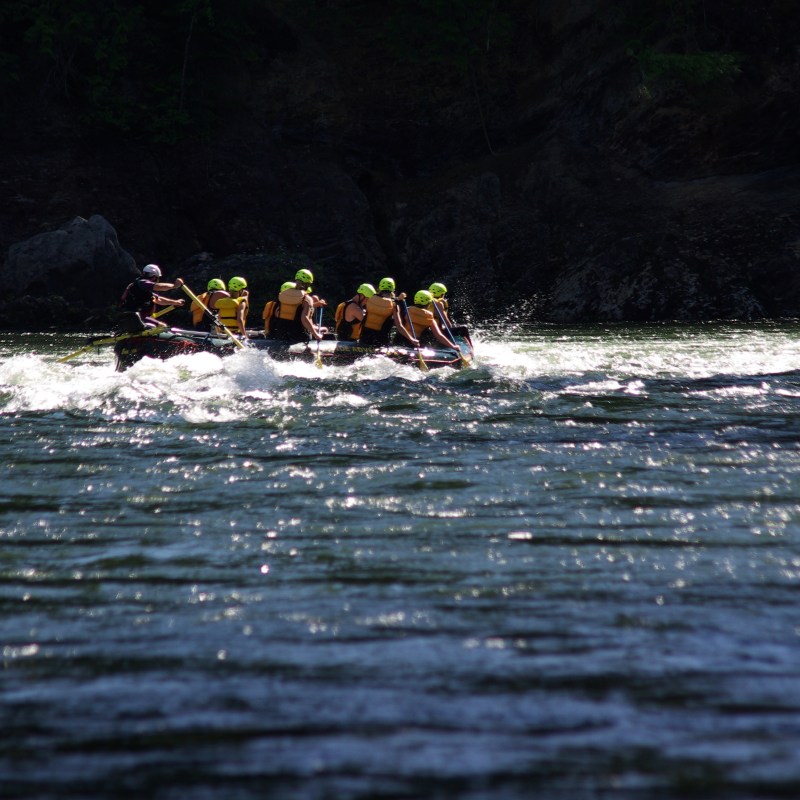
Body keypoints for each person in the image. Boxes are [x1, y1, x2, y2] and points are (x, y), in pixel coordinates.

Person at [268, 269, 325, 343]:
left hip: (281, 333)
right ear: (307, 284)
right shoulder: (306, 298)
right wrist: (316, 335)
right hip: (298, 336)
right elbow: (304, 319)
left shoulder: (283, 294)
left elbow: (277, 313)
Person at [359, 277, 418, 347]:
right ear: (393, 290)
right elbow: (399, 326)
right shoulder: (394, 305)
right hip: (381, 341)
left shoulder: (370, 298)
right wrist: (412, 339)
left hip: (364, 338)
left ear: (380, 287)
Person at [119, 263, 185, 324]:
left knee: (162, 325)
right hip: (135, 318)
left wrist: (176, 302)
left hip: (137, 318)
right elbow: (159, 287)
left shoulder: (141, 288)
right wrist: (174, 286)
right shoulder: (142, 283)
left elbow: (159, 300)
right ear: (154, 277)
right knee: (162, 326)